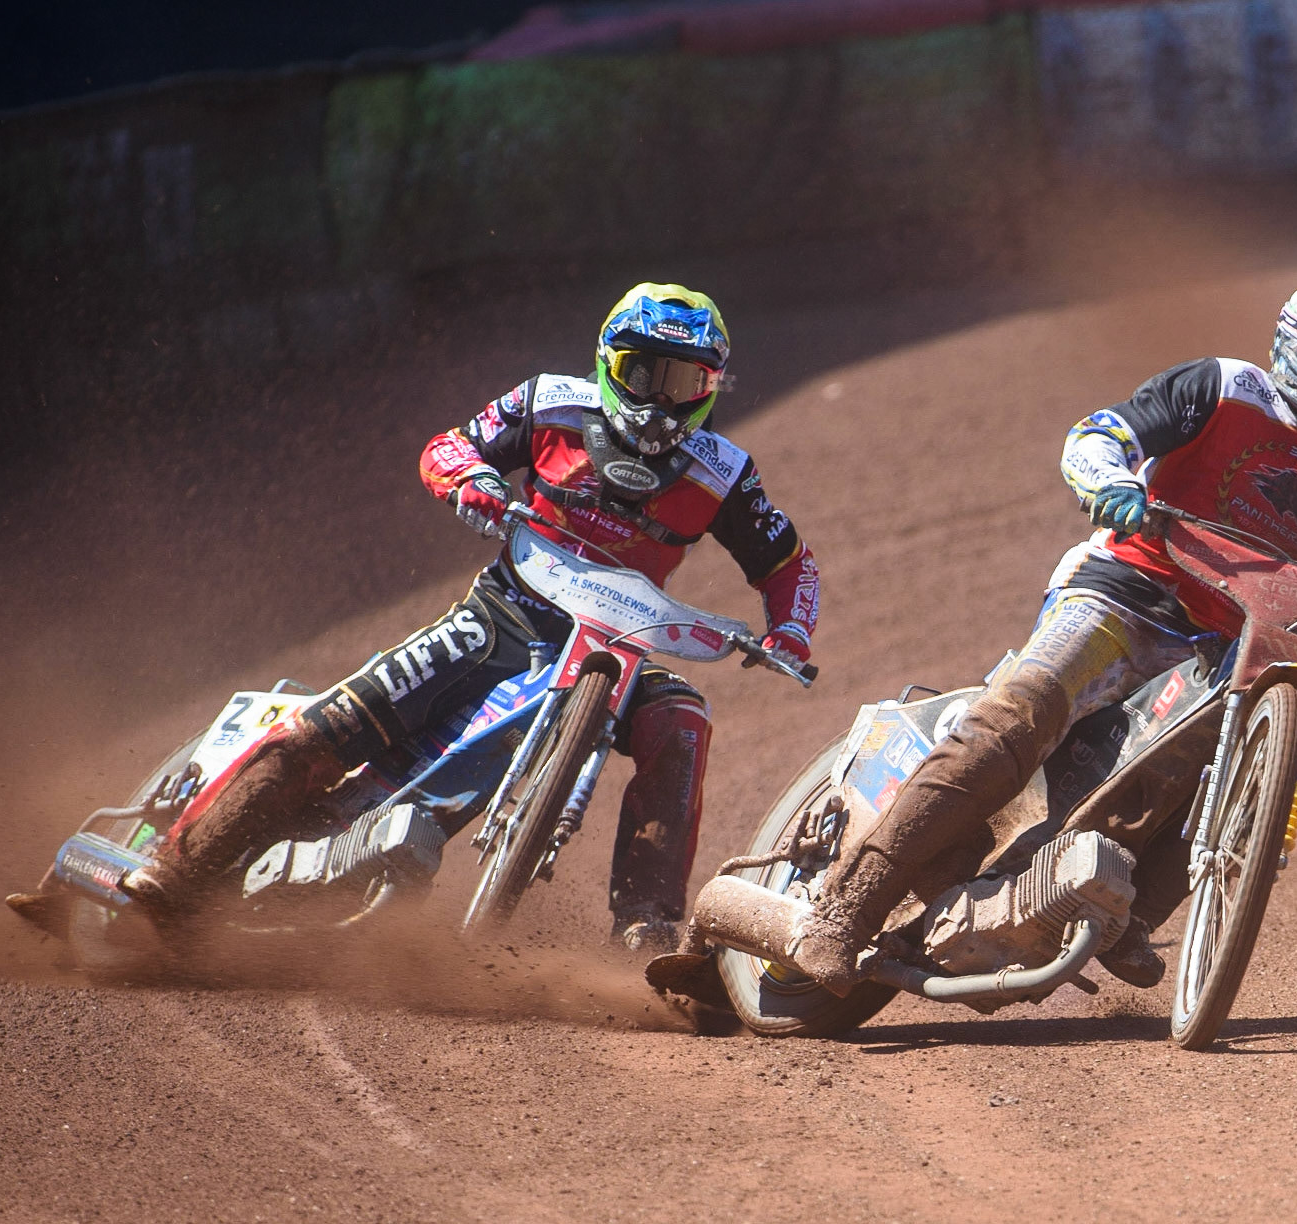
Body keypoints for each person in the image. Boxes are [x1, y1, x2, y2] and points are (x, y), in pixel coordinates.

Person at [786, 273, 1297, 995]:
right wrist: (1111, 482)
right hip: (1126, 592)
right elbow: (1102, 433)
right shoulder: (1223, 388)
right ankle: (842, 911)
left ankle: (1132, 912)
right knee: (1023, 707)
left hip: (1232, 644)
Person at [118, 283, 821, 952]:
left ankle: (644, 927)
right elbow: (449, 446)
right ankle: (178, 872)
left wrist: (790, 631)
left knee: (683, 720)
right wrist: (472, 480)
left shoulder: (725, 471)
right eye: (646, 375)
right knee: (333, 725)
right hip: (503, 615)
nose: (661, 402)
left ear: (709, 390)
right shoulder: (549, 403)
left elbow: (791, 563)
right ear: (610, 364)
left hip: (622, 644)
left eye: (685, 385)